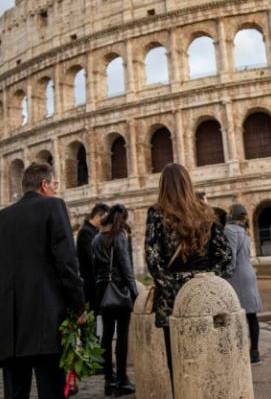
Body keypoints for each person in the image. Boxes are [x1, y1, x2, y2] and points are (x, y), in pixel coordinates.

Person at [0, 162, 85, 399]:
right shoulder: (53, 207)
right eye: (54, 184)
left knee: (15, 393)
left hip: (7, 323)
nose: (55, 190)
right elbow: (67, 263)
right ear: (44, 184)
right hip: (46, 318)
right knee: (52, 390)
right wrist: (78, 306)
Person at [145, 163, 232, 382]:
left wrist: (175, 290)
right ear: (188, 183)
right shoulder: (206, 212)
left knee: (180, 365)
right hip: (206, 297)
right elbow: (225, 255)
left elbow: (153, 259)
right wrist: (207, 282)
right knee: (208, 362)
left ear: (163, 185)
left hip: (172, 300)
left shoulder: (157, 213)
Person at [92, 204, 137, 396]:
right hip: (119, 289)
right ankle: (122, 379)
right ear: (123, 219)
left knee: (106, 335)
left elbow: (94, 267)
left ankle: (108, 381)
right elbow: (126, 269)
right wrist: (135, 292)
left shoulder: (96, 239)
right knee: (123, 335)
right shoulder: (118, 237)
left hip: (103, 290)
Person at [223, 204, 263, 365]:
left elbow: (231, 255)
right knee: (251, 315)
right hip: (249, 274)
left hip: (237, 275)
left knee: (235, 314)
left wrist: (226, 273)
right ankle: (255, 353)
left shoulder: (229, 230)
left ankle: (238, 352)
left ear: (231, 214)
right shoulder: (245, 231)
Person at [76, 203, 110, 315]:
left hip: (97, 281)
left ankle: (99, 332)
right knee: (95, 315)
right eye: (105, 218)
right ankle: (97, 333)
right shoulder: (85, 232)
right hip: (91, 282)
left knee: (100, 315)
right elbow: (90, 257)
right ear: (97, 216)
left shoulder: (94, 231)